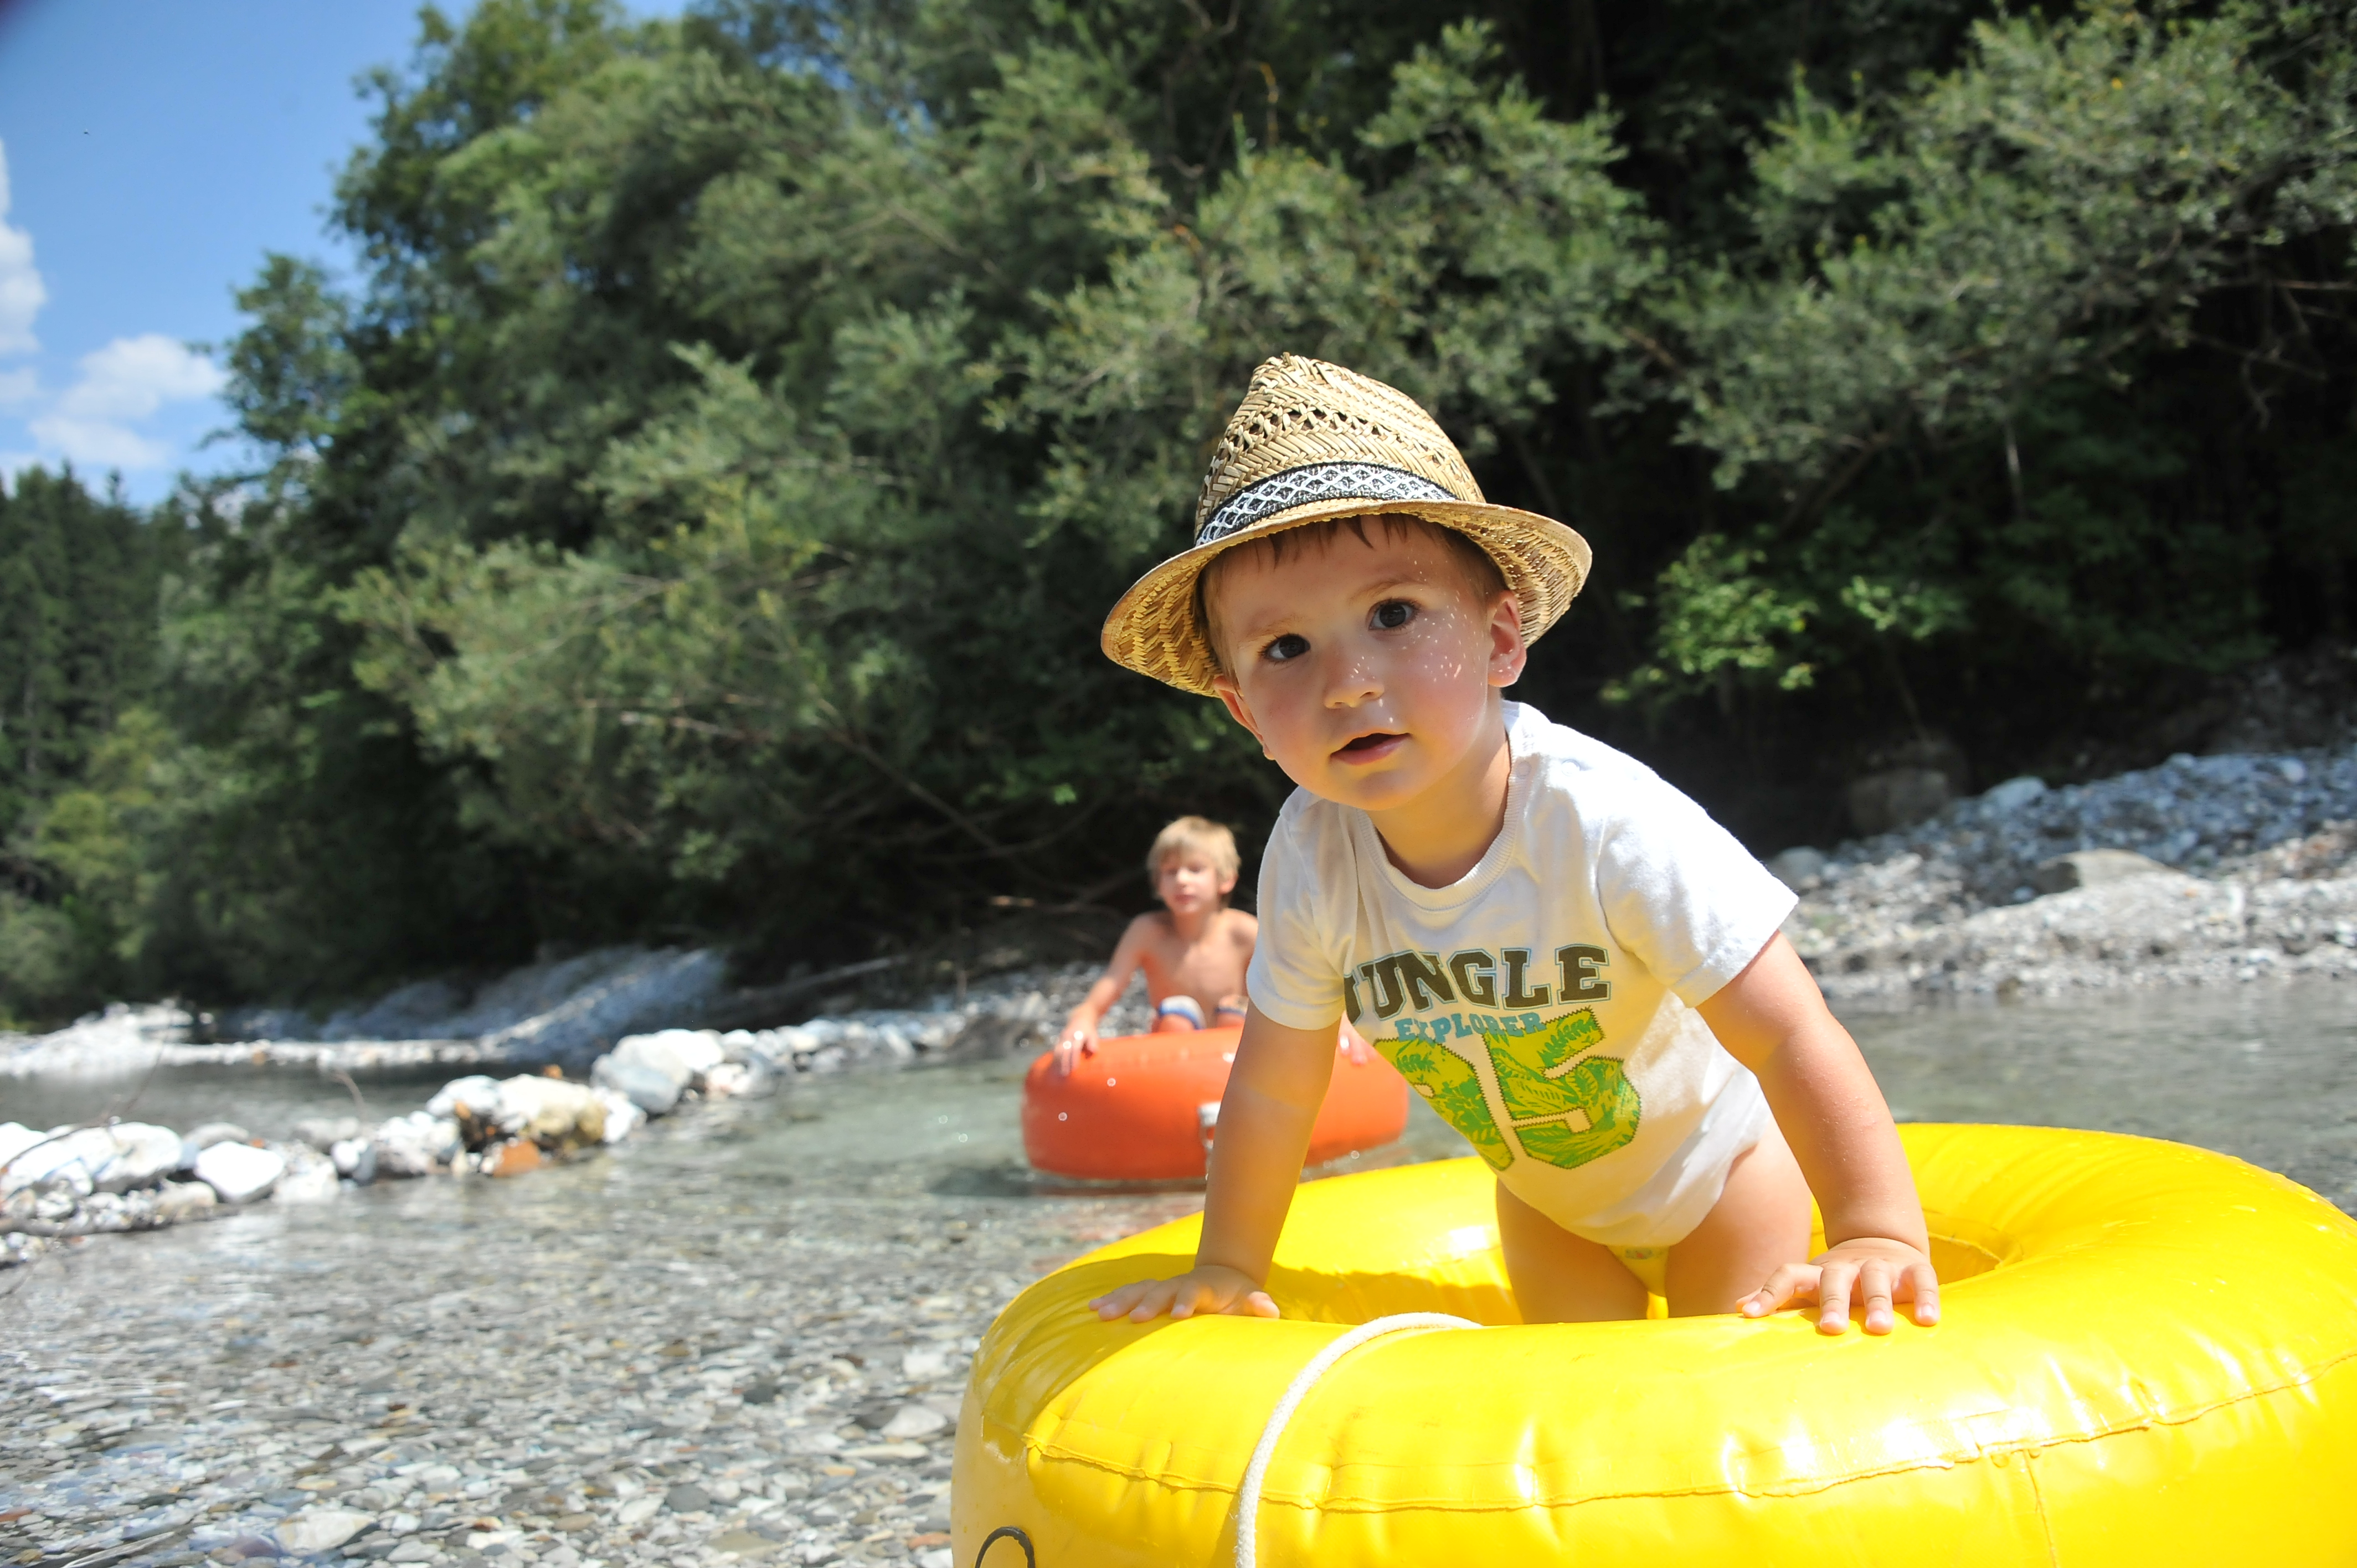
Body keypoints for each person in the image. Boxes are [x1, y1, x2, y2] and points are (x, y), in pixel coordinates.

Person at [1085, 354, 1939, 1334]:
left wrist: (1878, 1229)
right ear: (1241, 709)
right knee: (1583, 1440)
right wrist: (1231, 1262)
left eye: (1393, 614)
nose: (1349, 682)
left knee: (1717, 1418)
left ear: (1499, 640)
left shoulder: (1601, 820)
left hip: (1721, 1177)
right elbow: (1277, 1086)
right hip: (1552, 1209)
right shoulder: (1313, 855)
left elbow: (1790, 1031)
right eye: (1286, 648)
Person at [1053, 816, 1259, 1075]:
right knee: (1177, 1015)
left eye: (1195, 869)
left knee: (1235, 1009)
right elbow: (1109, 985)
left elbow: (1289, 987)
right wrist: (1082, 1021)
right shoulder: (1147, 932)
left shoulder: (1244, 933)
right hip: (1173, 1055)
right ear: (1158, 884)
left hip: (1233, 1052)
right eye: (1171, 872)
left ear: (1226, 879)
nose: (1182, 880)